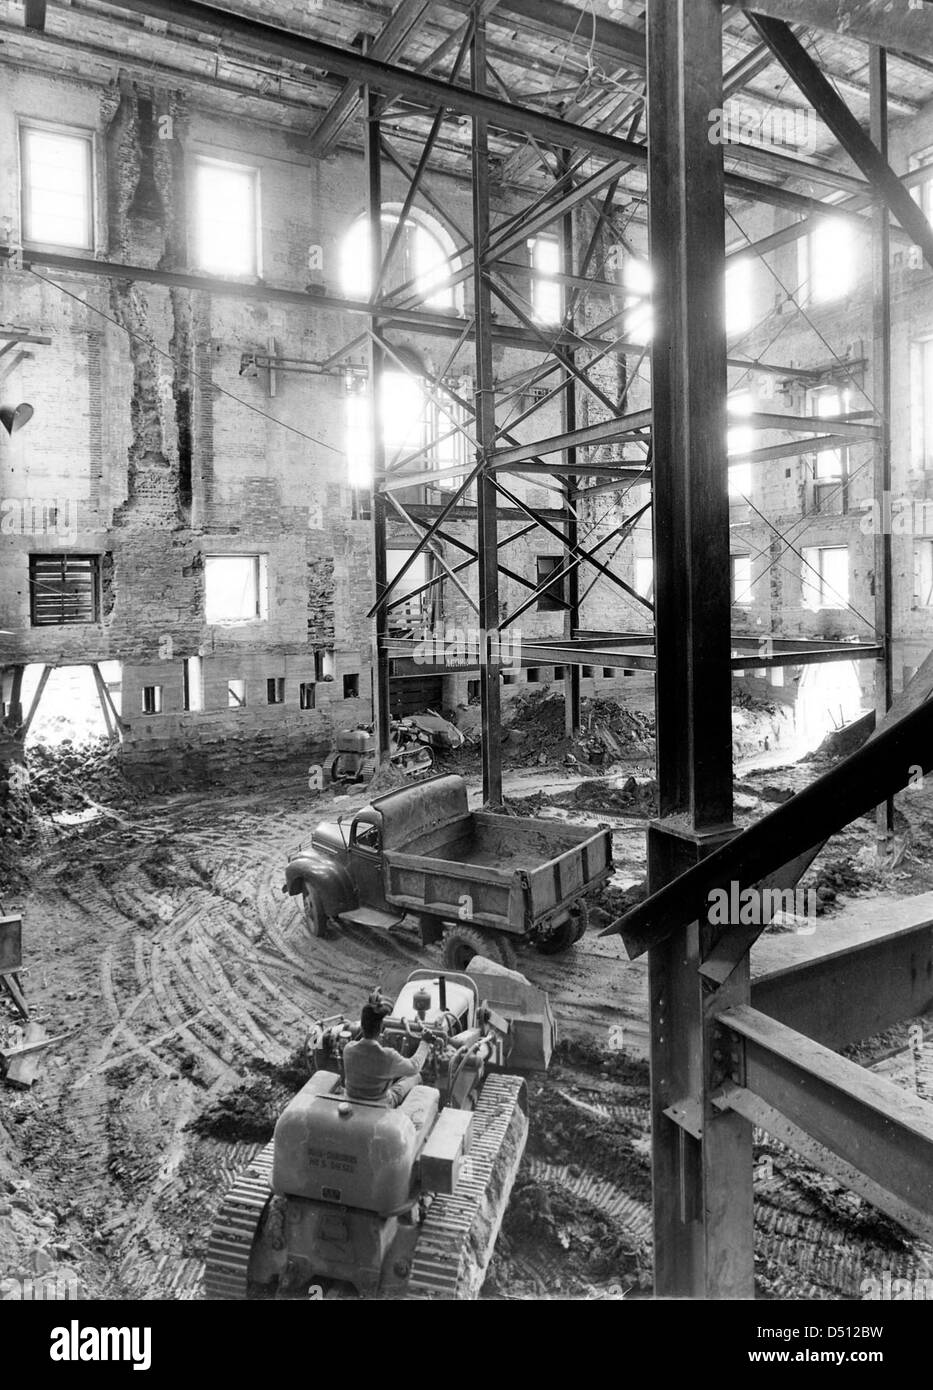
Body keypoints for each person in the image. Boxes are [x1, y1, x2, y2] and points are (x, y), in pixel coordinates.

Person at [342, 999, 430, 1107]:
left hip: (351, 1099)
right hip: (380, 1104)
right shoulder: (388, 1056)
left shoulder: (348, 1049)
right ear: (380, 1028)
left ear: (362, 1026)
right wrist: (425, 1042)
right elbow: (414, 1067)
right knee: (415, 1076)